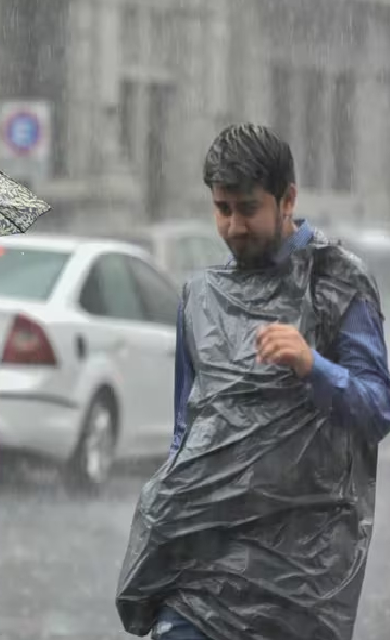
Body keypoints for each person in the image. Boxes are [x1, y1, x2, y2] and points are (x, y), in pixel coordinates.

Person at [116, 124, 390, 640]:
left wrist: (313, 366)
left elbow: (377, 409)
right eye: (223, 209)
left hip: (300, 578)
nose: (234, 226)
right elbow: (188, 432)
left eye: (247, 209)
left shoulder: (338, 281)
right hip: (200, 571)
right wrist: (163, 522)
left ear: (288, 199)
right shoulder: (201, 297)